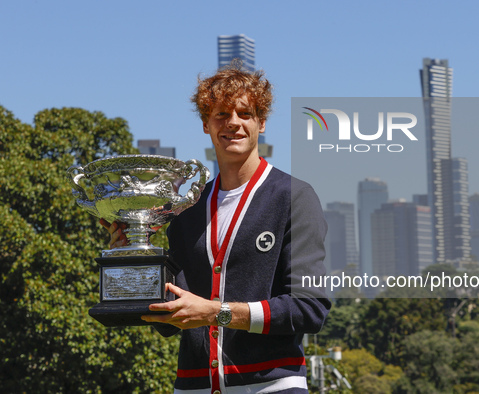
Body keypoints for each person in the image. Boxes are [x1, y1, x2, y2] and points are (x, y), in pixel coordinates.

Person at [102, 63, 330, 393]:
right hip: (192, 386)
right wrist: (134, 265)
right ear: (206, 123)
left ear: (261, 122)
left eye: (245, 113)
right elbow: (170, 320)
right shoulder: (185, 210)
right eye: (221, 114)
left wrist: (215, 313)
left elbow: (310, 309)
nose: (233, 123)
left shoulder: (294, 197)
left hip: (271, 386)